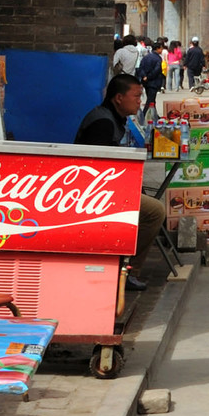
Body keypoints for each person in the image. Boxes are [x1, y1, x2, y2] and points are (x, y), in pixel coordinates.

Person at [75, 73, 168, 289]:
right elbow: (96, 169)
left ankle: (125, 270)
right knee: (154, 211)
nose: (139, 101)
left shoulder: (114, 118)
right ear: (118, 98)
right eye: (136, 96)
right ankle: (126, 272)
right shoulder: (103, 122)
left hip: (108, 189)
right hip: (93, 194)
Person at [137, 37, 164, 115]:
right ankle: (144, 114)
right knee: (150, 100)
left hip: (146, 81)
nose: (161, 50)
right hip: (153, 81)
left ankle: (154, 115)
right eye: (161, 49)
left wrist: (144, 76)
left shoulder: (146, 57)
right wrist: (148, 77)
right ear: (157, 48)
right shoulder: (157, 58)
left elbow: (141, 67)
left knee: (151, 99)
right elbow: (157, 70)